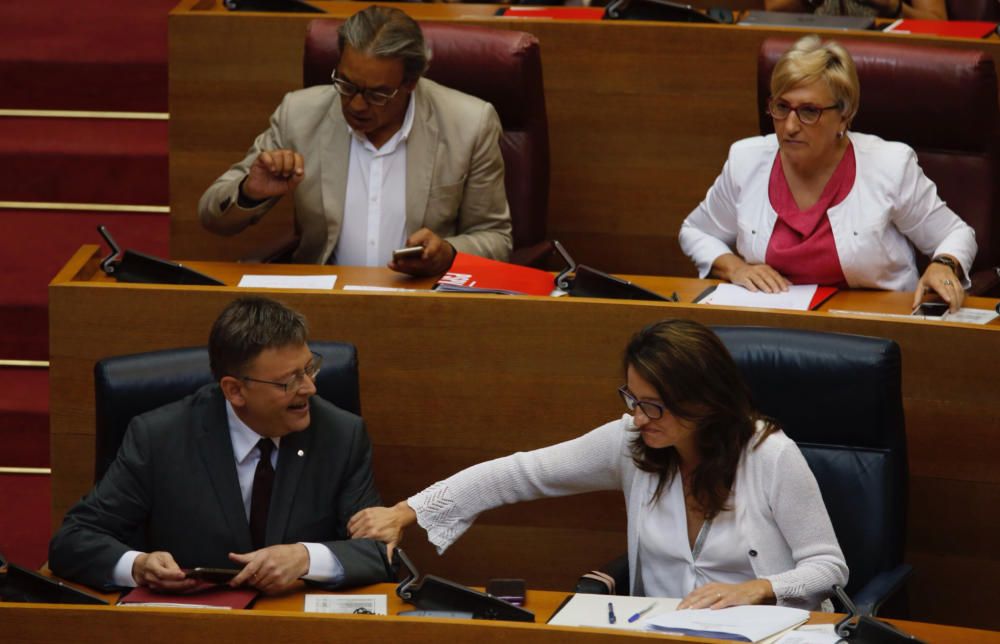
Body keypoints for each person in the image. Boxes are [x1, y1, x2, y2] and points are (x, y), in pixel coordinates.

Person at [348, 319, 848, 611]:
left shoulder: (771, 454)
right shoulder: (632, 442)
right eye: (633, 397)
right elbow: (520, 473)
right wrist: (408, 511)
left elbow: (828, 567)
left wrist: (759, 588)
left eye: (655, 405)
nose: (637, 415)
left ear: (704, 401)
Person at [49, 296, 393, 593]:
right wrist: (137, 566)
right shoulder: (159, 437)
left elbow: (377, 553)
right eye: (290, 381)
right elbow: (74, 540)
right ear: (234, 390)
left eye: (310, 369)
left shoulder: (340, 435)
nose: (309, 389)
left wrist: (305, 558)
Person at [198, 6, 512, 276]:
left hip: (425, 302)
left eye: (377, 94)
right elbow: (213, 216)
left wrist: (449, 253)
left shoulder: (469, 124)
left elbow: (496, 238)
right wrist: (249, 193)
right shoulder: (300, 114)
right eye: (346, 85)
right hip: (326, 302)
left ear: (411, 83)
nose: (356, 105)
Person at [679, 36, 975, 313]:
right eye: (782, 107)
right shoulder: (747, 159)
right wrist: (735, 268)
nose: (790, 126)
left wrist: (945, 264)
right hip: (776, 326)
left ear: (844, 115)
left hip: (873, 327)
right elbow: (695, 231)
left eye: (809, 111)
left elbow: (956, 234)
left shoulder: (889, 165)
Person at [764, 0, 946, 21]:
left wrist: (893, 6)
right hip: (812, 52)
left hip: (883, 52)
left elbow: (937, 24)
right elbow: (773, 10)